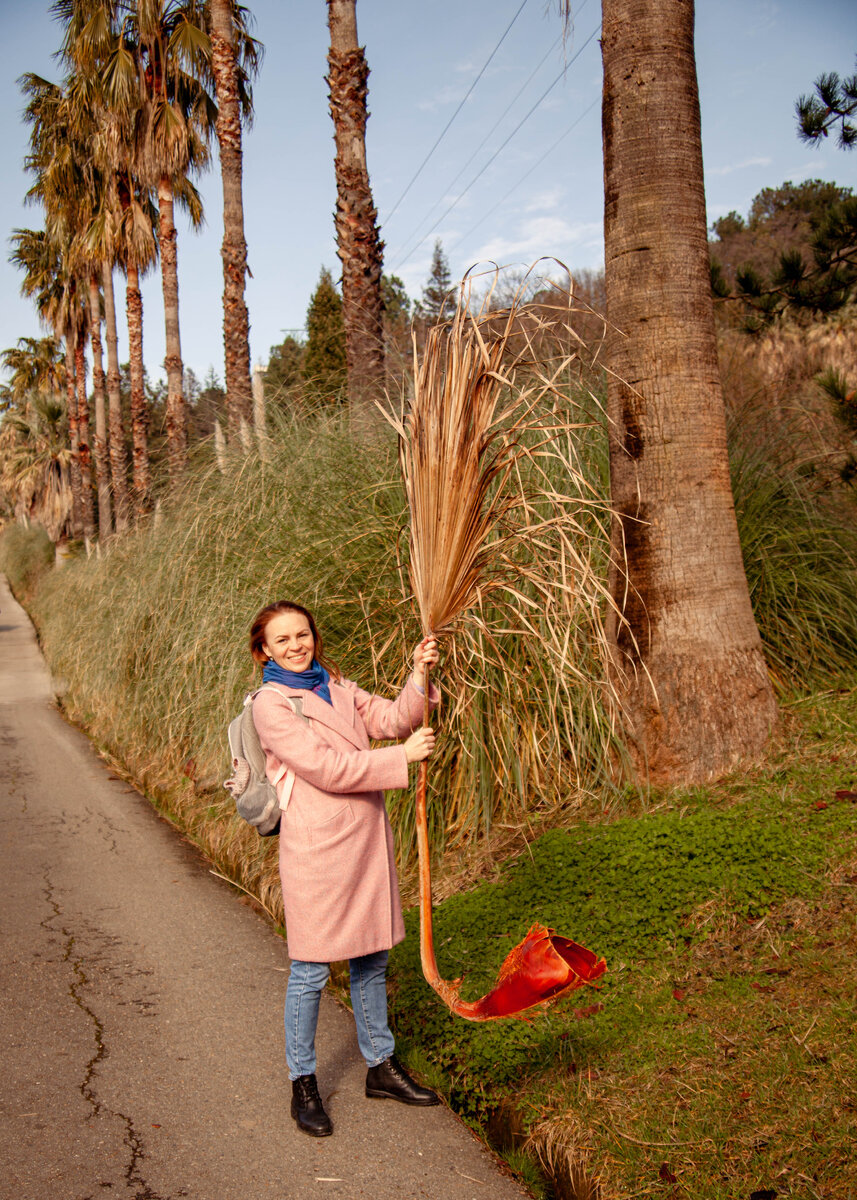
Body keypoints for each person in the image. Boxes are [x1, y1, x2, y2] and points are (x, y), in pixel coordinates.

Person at [249, 600, 441, 1137]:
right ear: (263, 649)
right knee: (311, 970)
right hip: (318, 851)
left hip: (363, 842)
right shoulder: (271, 705)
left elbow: (393, 718)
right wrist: (400, 757)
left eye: (302, 634)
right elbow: (327, 768)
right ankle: (302, 1082)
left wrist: (419, 673)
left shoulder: (334, 684)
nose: (296, 645)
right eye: (282, 639)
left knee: (372, 958)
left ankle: (380, 1066)